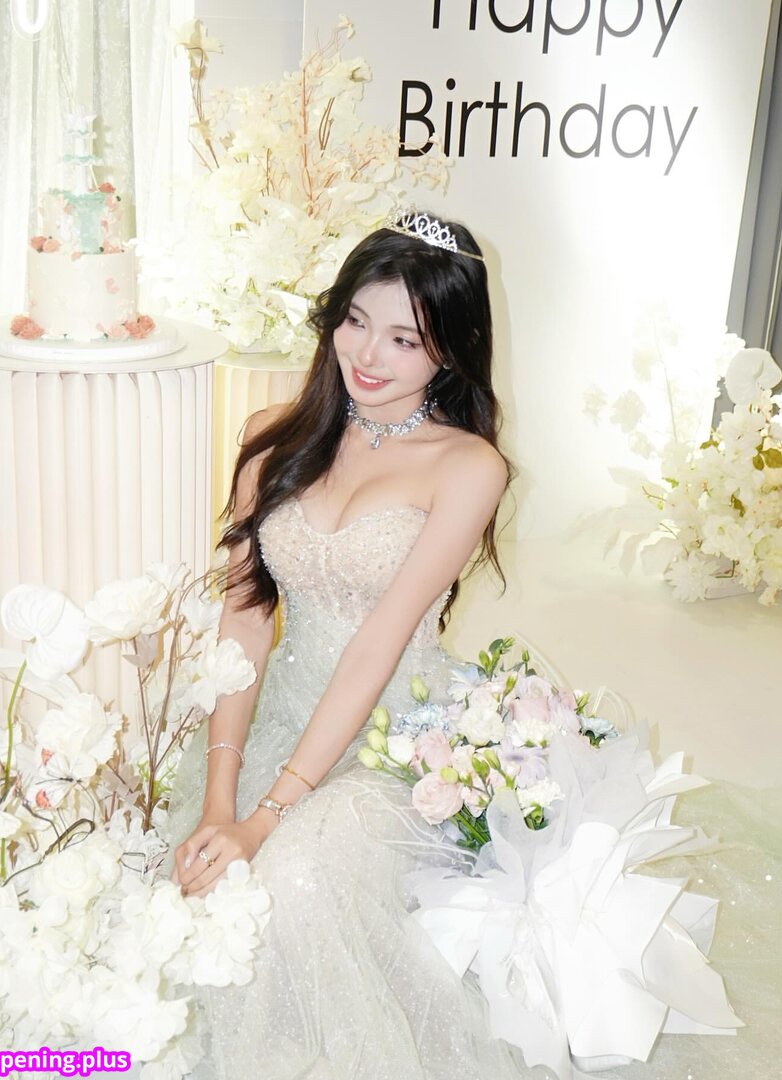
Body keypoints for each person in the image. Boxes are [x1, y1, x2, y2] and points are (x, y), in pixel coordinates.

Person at [164, 209, 531, 1078]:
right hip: (280, 719)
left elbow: (379, 643)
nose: (367, 355)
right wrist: (221, 798)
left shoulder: (468, 467)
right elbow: (244, 621)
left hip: (397, 742)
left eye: (405, 339)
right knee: (201, 883)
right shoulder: (271, 438)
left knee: (288, 881)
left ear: (450, 349)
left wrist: (266, 815)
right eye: (355, 320)